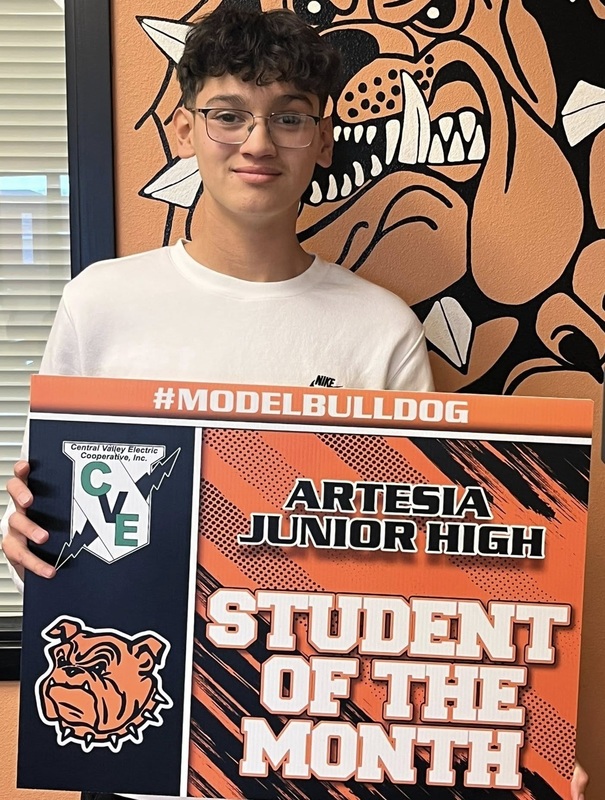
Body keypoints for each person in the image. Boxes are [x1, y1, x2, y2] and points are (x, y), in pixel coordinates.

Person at [0, 7, 588, 800]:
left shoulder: (379, 327)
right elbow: (51, 520)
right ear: (184, 128)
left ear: (322, 139)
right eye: (227, 114)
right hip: (144, 762)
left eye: (287, 117)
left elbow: (424, 574)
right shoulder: (100, 301)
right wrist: (31, 543)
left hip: (308, 753)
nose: (256, 142)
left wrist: (514, 749)